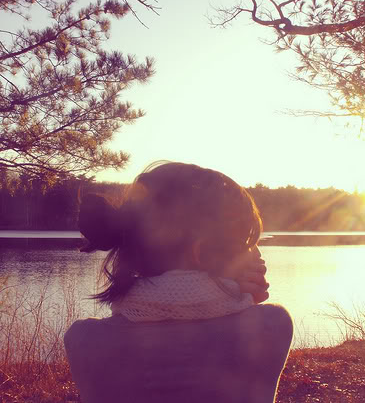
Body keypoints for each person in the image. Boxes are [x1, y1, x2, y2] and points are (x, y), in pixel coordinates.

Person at [64, 162, 293, 403]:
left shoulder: (83, 340)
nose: (254, 253)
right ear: (201, 252)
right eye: (243, 243)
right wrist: (242, 299)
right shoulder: (271, 325)